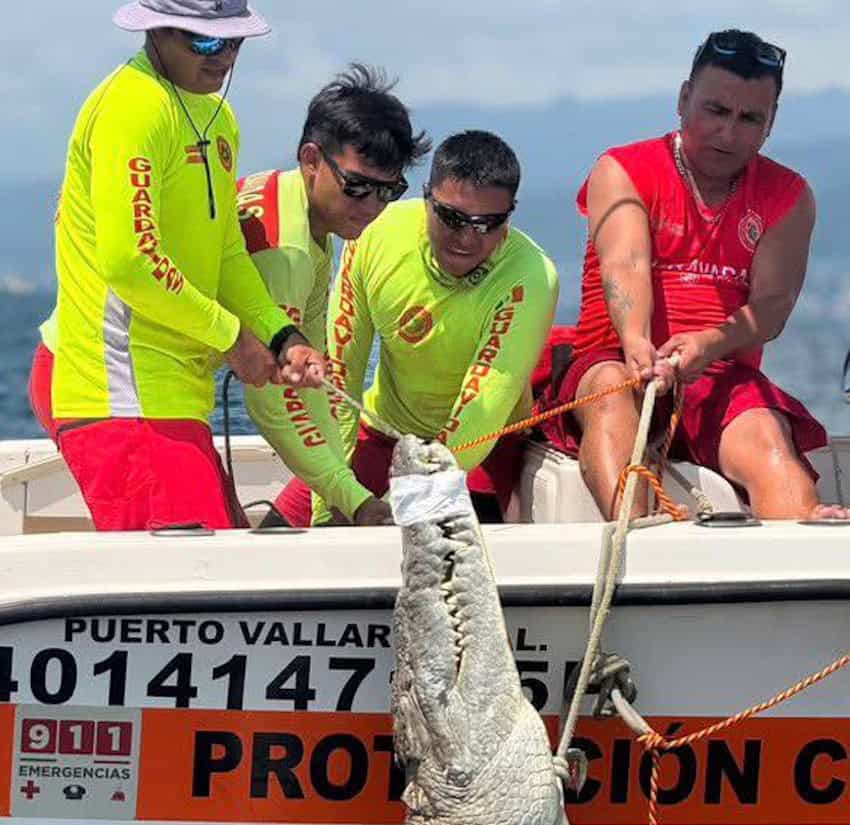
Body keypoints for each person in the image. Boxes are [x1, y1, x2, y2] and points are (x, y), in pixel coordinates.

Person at [27, 0, 325, 531]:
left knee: (226, 572)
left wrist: (282, 337)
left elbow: (227, 254)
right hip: (121, 398)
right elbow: (131, 262)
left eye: (234, 42)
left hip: (177, 399)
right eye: (206, 42)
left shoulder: (219, 116)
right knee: (208, 581)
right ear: (158, 32)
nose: (223, 57)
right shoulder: (133, 107)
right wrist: (233, 340)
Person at [539, 29, 848, 521]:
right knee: (614, 391)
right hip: (617, 357)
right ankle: (635, 540)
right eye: (716, 111)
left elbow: (772, 306)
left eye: (750, 119)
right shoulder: (623, 168)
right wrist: (638, 342)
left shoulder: (788, 194)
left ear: (770, 124)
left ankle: (796, 560)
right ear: (684, 99)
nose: (728, 133)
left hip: (721, 369)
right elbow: (626, 265)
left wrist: (710, 344)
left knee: (770, 440)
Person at [276, 130, 560, 526]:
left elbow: (482, 414)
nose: (466, 238)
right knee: (280, 535)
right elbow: (341, 377)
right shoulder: (377, 233)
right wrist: (336, 502)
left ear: (509, 214)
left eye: (487, 224)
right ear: (427, 197)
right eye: (451, 217)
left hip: (481, 450)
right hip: (383, 434)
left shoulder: (531, 276)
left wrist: (393, 504)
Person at [236, 65, 430, 527]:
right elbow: (273, 400)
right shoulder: (286, 250)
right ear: (311, 159)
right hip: (115, 387)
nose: (372, 207)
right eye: (358, 186)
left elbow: (315, 380)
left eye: (389, 191)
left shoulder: (295, 208)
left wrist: (342, 495)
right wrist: (354, 499)